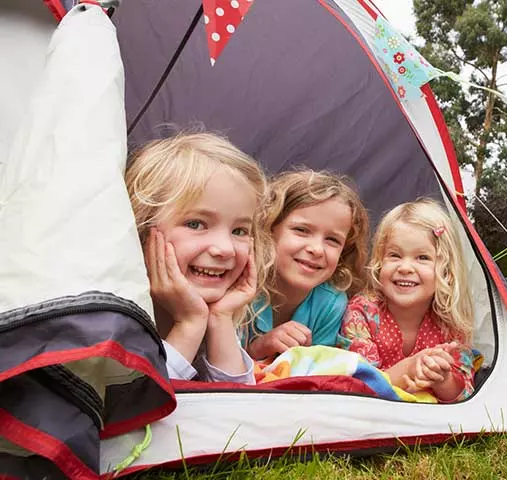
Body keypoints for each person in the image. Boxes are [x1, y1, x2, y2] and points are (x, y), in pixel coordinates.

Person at [125, 132, 273, 383]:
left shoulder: (217, 314)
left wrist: (221, 319)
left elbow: (238, 412)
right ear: (140, 230)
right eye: (196, 224)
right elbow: (134, 409)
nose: (224, 248)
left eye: (239, 231)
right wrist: (189, 324)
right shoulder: (114, 323)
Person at [337, 199, 478, 403]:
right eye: (395, 255)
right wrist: (411, 368)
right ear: (379, 262)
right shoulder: (362, 312)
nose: (405, 267)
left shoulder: (450, 322)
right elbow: (360, 386)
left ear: (446, 272)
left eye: (422, 258)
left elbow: (464, 395)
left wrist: (442, 379)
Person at [246, 169, 370, 361]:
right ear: (269, 230)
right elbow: (215, 370)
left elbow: (316, 374)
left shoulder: (330, 303)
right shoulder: (242, 286)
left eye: (332, 240)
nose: (317, 249)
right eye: (302, 230)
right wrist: (258, 349)